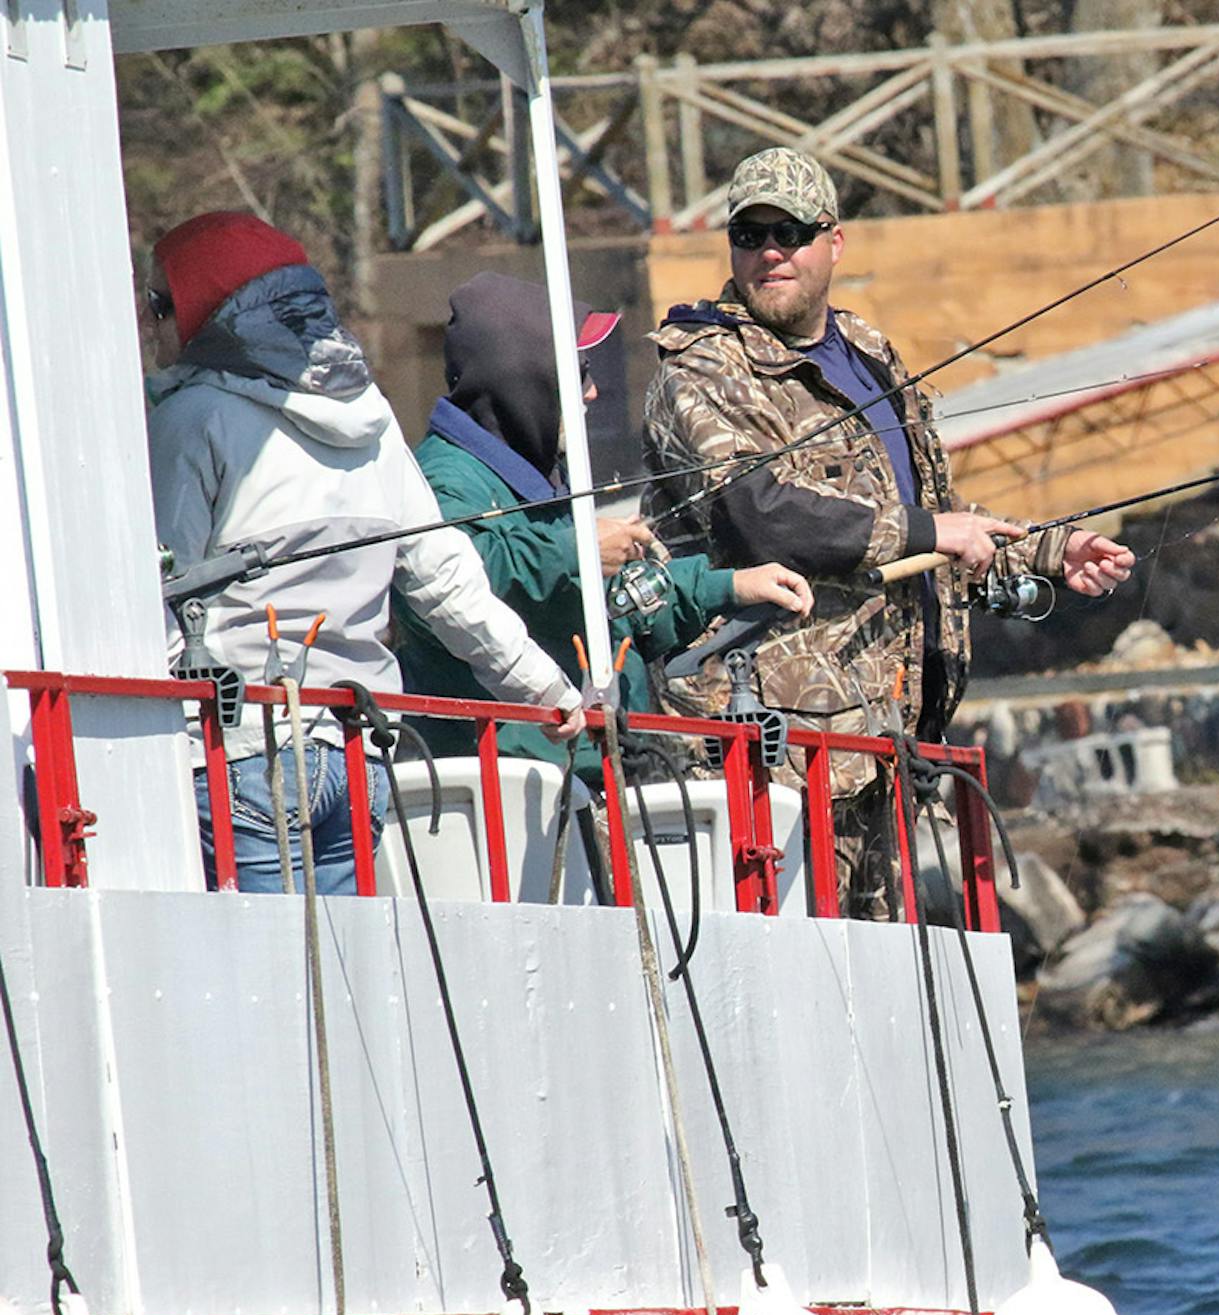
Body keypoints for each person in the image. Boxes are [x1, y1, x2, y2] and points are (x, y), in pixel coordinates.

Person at [642, 147, 1134, 918]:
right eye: (750, 234)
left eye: (791, 231)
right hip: (773, 754)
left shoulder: (867, 353)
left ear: (833, 242)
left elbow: (926, 514)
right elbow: (759, 514)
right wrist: (936, 529)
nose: (770, 251)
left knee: (877, 973)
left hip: (887, 737)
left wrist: (1047, 550)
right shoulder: (702, 367)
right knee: (798, 972)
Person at [145, 212, 580, 894]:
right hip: (358, 750)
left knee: (268, 981)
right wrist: (549, 691)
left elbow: (158, 597)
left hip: (245, 751)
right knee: (346, 980)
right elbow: (447, 584)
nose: (151, 328)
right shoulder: (370, 418)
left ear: (204, 312)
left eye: (160, 306)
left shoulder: (192, 417)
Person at [395, 270, 811, 788]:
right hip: (514, 791)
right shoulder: (443, 478)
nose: (591, 393)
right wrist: (579, 550)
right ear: (522, 375)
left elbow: (611, 605)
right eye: (578, 372)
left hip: (594, 774)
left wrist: (726, 585)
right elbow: (457, 580)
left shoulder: (538, 467)